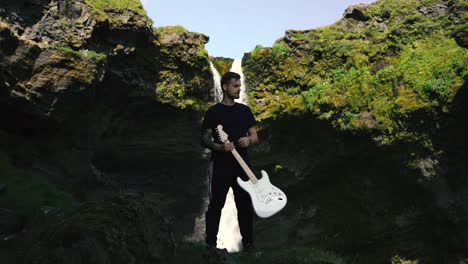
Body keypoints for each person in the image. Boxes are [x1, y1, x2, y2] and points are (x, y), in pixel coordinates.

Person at [201, 71, 259, 253]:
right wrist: (219, 148)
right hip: (220, 165)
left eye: (240, 86)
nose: (239, 89)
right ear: (225, 87)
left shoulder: (245, 110)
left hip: (243, 167)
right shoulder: (213, 112)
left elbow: (255, 135)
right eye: (235, 86)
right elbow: (204, 139)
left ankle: (248, 246)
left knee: (245, 205)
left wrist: (248, 140)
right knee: (216, 205)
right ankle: (210, 246)